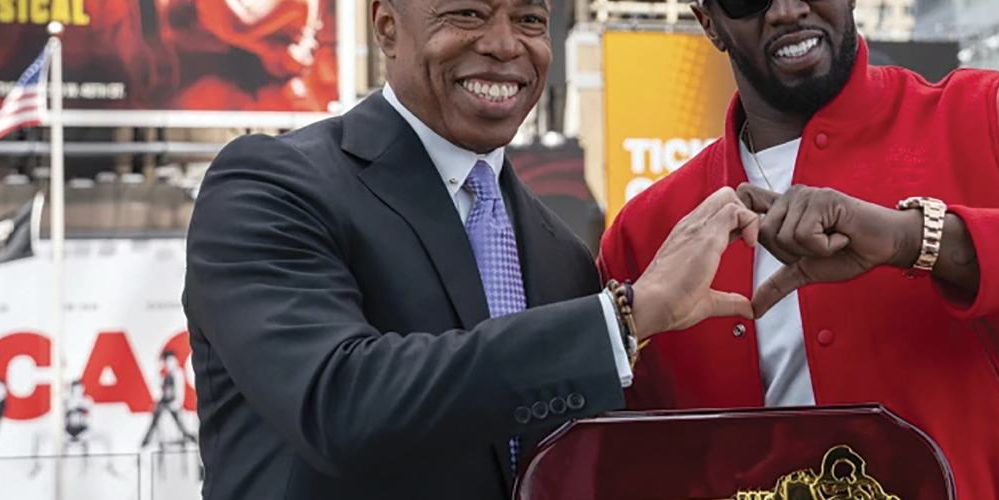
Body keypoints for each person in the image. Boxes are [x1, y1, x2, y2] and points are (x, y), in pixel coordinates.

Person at [596, 0, 999, 498]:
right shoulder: (647, 231)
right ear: (709, 22)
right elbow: (625, 465)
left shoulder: (988, 118)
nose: (785, 9)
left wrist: (917, 240)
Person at [181, 0, 761, 497]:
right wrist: (623, 320)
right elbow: (338, 405)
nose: (505, 44)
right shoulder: (271, 185)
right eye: (468, 12)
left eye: (530, 18)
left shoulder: (561, 253)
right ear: (386, 26)